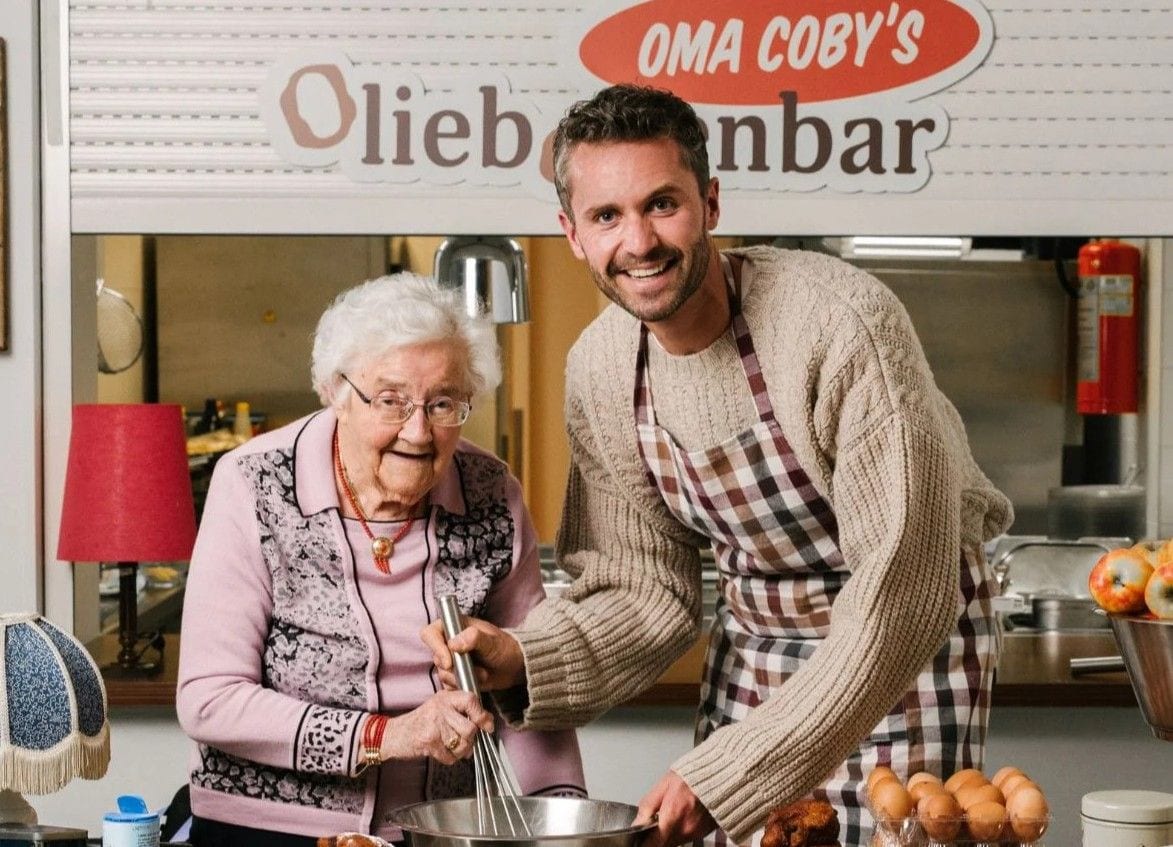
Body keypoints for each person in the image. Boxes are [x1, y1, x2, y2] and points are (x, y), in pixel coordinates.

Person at [423, 85, 1014, 847]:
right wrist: (519, 656)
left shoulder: (837, 324)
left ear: (709, 202)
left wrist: (729, 767)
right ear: (572, 233)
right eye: (607, 216)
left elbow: (902, 591)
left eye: (661, 204)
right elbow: (645, 592)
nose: (638, 241)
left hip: (903, 646)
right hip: (760, 641)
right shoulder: (602, 369)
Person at [176, 272, 586, 847]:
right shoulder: (255, 483)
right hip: (268, 830)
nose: (418, 431)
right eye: (391, 400)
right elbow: (210, 699)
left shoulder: (491, 491)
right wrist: (386, 735)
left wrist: (561, 818)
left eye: (442, 403)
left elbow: (529, 678)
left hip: (438, 832)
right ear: (336, 392)